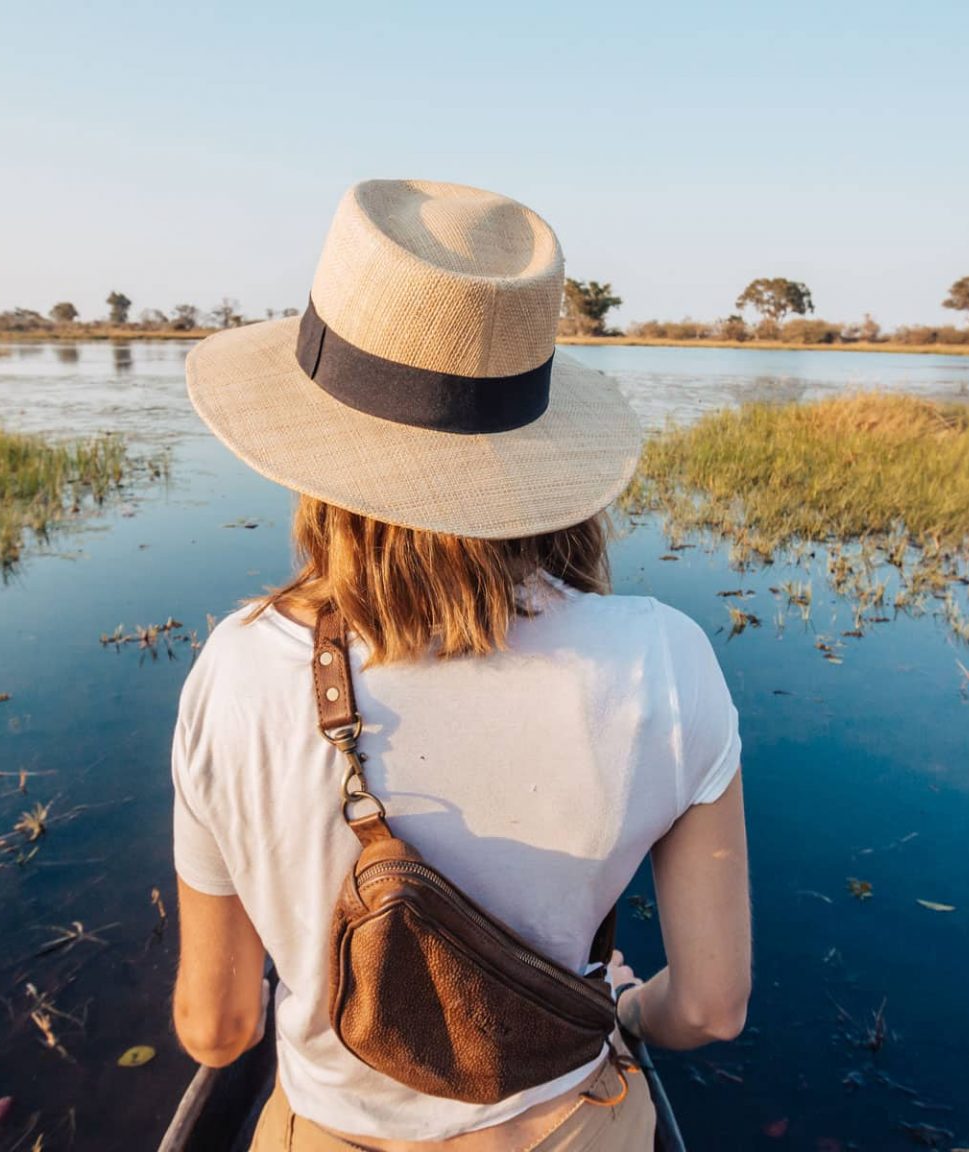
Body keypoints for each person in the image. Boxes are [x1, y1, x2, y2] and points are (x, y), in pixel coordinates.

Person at [170, 178, 752, 1151]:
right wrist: (624, 1014)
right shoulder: (665, 660)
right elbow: (712, 1007)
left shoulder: (238, 669)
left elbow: (218, 1027)